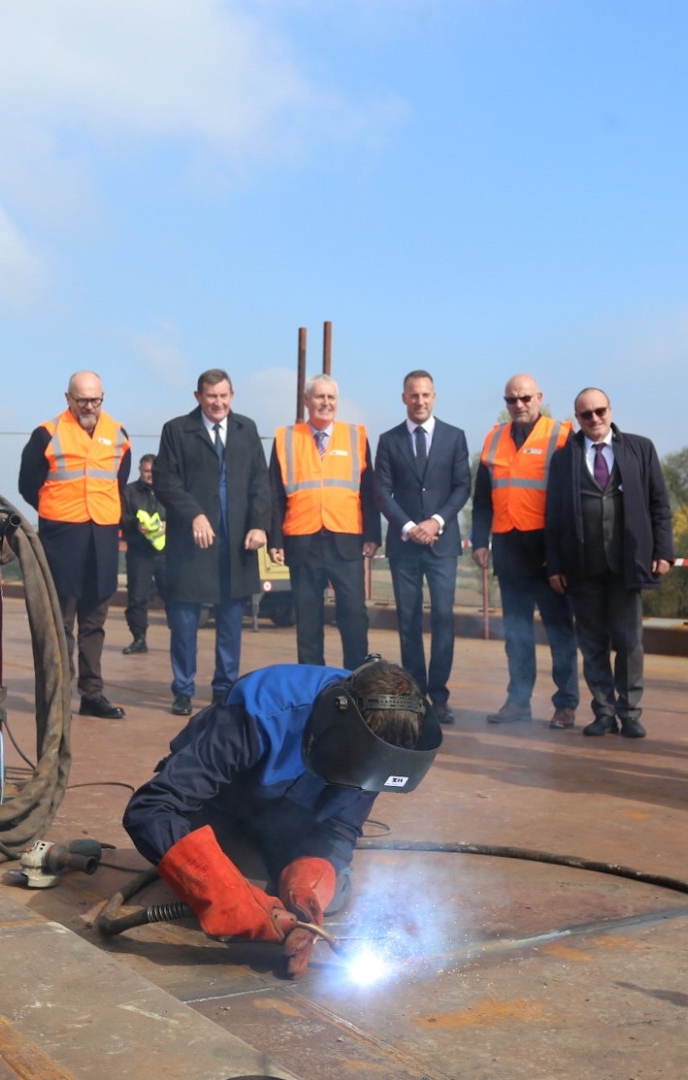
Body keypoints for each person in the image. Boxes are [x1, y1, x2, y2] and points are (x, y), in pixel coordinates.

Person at [122, 658, 439, 978]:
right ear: (334, 731)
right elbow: (152, 809)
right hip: (218, 805)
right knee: (222, 887)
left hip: (286, 816)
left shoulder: (380, 739)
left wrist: (308, 888)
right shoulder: (262, 708)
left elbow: (340, 825)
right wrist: (228, 895)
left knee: (332, 895)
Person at [544, 389, 673, 738]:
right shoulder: (563, 459)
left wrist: (663, 551)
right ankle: (603, 711)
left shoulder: (640, 449)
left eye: (600, 411)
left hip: (627, 563)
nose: (594, 419)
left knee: (629, 641)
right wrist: (554, 564)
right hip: (582, 567)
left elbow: (659, 503)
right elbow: (553, 516)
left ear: (610, 410)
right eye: (586, 414)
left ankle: (630, 712)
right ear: (577, 418)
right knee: (593, 643)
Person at [153, 370, 271, 715]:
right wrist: (195, 514)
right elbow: (165, 481)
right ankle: (184, 689)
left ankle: (224, 688)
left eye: (224, 396)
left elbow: (260, 482)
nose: (218, 403)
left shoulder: (245, 429)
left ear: (232, 395)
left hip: (236, 544)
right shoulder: (176, 431)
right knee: (186, 620)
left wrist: (259, 525)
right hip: (192, 544)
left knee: (232, 620)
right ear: (198, 397)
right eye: (211, 396)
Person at [18, 371, 131, 719]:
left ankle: (92, 694)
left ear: (103, 398)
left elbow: (119, 482)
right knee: (61, 622)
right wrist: (56, 514)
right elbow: (27, 485)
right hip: (62, 538)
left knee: (94, 621)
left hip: (103, 537)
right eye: (81, 399)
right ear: (67, 398)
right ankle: (58, 696)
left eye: (95, 400)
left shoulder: (119, 435)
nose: (89, 406)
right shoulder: (46, 434)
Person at [470, 374, 580, 728]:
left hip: (549, 549)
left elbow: (572, 498)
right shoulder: (493, 438)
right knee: (516, 633)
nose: (519, 405)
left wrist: (562, 552)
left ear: (539, 397)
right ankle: (518, 702)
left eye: (525, 398)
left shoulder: (562, 436)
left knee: (560, 630)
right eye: (511, 400)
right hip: (509, 547)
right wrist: (478, 540)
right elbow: (483, 498)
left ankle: (565, 704)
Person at [374, 370, 471, 724]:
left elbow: (462, 486)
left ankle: (440, 696)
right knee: (409, 622)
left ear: (435, 396)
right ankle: (414, 694)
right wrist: (411, 526)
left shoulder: (455, 437)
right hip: (404, 546)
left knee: (443, 621)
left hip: (442, 546)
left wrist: (436, 522)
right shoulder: (388, 440)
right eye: (414, 395)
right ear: (404, 398)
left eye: (426, 395)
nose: (420, 401)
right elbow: (381, 491)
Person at [268, 375, 379, 670]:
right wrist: (275, 540)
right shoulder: (286, 438)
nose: (325, 403)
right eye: (319, 397)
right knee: (307, 618)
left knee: (354, 613)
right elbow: (274, 495)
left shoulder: (356, 436)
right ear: (306, 401)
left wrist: (372, 534)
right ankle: (312, 683)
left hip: (346, 538)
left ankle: (357, 678)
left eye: (331, 398)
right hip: (302, 540)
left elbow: (369, 490)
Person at [120, 454, 167, 656]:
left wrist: (169, 525)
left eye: (153, 471)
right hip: (139, 553)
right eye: (146, 471)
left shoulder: (168, 491)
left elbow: (181, 514)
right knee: (137, 597)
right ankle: (139, 638)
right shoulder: (129, 491)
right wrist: (134, 525)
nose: (149, 475)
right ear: (140, 470)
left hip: (166, 553)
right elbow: (120, 517)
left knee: (173, 595)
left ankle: (182, 638)